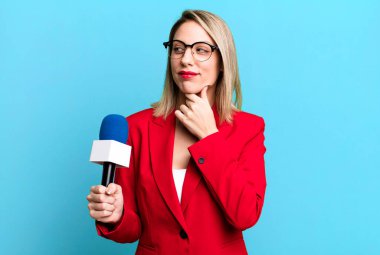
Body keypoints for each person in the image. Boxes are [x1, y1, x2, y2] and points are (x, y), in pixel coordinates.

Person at [86, 9, 267, 255]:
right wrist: (116, 215)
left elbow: (245, 215)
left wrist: (210, 138)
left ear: (222, 62)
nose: (186, 59)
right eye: (178, 48)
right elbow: (133, 229)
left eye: (201, 49)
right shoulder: (136, 128)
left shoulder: (248, 129)